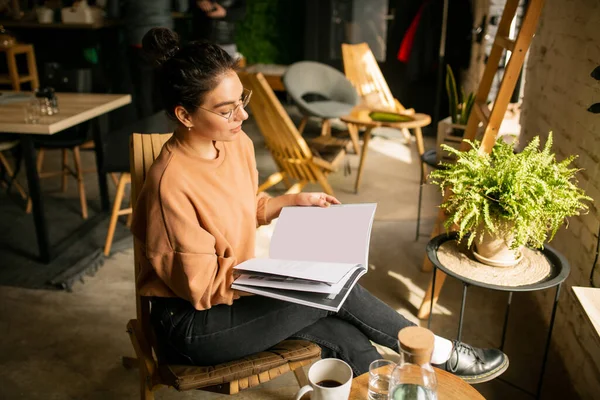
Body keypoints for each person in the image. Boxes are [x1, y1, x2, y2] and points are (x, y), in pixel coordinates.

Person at [130, 27, 509, 382]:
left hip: (236, 302)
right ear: (184, 115)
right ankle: (441, 353)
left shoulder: (235, 144)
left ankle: (402, 385)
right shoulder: (170, 183)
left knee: (346, 336)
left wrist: (291, 202)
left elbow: (239, 209)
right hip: (195, 325)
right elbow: (201, 287)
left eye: (241, 100)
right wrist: (278, 276)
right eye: (227, 110)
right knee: (330, 289)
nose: (243, 115)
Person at [107, 0, 188, 119]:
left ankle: (146, 130)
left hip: (138, 39)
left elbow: (113, 12)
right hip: (164, 40)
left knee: (143, 91)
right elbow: (182, 7)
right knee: (166, 87)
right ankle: (166, 126)